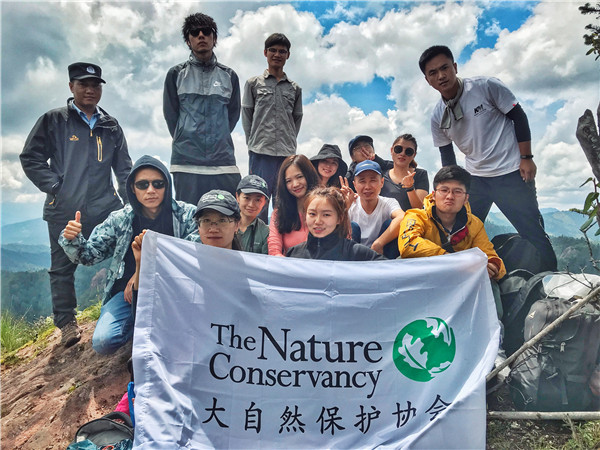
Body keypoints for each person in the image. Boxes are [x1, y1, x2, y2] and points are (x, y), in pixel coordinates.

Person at [20, 62, 132, 348]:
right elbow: (30, 157)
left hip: (105, 205)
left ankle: (128, 304)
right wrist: (57, 187)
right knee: (61, 266)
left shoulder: (110, 125)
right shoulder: (54, 120)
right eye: (83, 84)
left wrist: (131, 205)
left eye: (95, 85)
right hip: (64, 207)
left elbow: (123, 169)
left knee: (128, 250)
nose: (90, 90)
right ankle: (67, 323)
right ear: (71, 86)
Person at [419, 45, 556, 271]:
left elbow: (519, 116)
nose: (441, 76)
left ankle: (552, 280)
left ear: (455, 67)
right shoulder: (437, 116)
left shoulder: (485, 87)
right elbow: (447, 155)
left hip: (511, 172)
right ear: (428, 80)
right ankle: (462, 278)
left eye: (445, 68)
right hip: (476, 180)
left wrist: (526, 157)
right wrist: (454, 188)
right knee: (460, 232)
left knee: (532, 231)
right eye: (433, 73)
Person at [59, 156, 197, 354]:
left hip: (173, 290)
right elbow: (88, 255)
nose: (151, 190)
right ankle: (143, 325)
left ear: (167, 185)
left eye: (158, 184)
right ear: (133, 188)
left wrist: (143, 272)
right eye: (143, 184)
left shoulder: (187, 215)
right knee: (104, 341)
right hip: (127, 295)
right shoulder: (120, 219)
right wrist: (72, 239)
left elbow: (196, 251)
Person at [164, 12, 241, 204]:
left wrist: (218, 136)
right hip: (186, 163)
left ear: (214, 38)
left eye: (206, 31)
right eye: (194, 32)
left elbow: (233, 115)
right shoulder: (175, 74)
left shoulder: (229, 76)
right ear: (188, 40)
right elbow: (171, 115)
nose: (201, 36)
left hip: (223, 163)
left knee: (228, 215)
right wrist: (185, 136)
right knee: (190, 218)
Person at [399, 165, 506, 283]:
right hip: (424, 280)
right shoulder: (416, 216)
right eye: (444, 190)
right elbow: (408, 244)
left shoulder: (474, 224)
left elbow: (488, 254)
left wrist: (494, 266)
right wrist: (451, 260)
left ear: (466, 198)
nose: (450, 196)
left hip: (460, 282)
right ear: (434, 195)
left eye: (457, 192)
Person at [242, 33, 302, 223]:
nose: (277, 55)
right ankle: (257, 240)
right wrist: (253, 142)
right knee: (257, 200)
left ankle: (279, 240)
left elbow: (296, 118)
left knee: (284, 203)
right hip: (260, 153)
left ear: (288, 55)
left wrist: (288, 140)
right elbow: (247, 115)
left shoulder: (295, 88)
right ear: (265, 53)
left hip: (286, 154)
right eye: (273, 50)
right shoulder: (253, 84)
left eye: (282, 51)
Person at [287, 187, 385, 261]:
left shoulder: (356, 253)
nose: (318, 221)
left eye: (326, 215)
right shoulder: (294, 254)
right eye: (312, 214)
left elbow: (389, 271)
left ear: (340, 218)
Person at [346, 160, 404, 258]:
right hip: (354, 257)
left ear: (382, 182)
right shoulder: (350, 203)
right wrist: (345, 207)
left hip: (380, 254)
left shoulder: (388, 202)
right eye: (362, 181)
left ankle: (389, 265)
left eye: (373, 180)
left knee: (391, 223)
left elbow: (402, 217)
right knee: (352, 226)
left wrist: (379, 243)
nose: (367, 187)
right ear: (354, 185)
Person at [268, 155, 319, 256]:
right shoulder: (279, 214)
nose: (295, 184)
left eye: (299, 177)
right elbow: (274, 249)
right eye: (288, 181)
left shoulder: (325, 209)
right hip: (288, 265)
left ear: (309, 175)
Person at [380, 134, 429, 211]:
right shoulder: (381, 175)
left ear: (414, 155)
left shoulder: (420, 175)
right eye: (398, 149)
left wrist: (410, 188)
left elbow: (419, 208)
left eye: (408, 151)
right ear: (391, 150)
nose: (402, 153)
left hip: (410, 218)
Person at [235, 175, 270, 254]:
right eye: (247, 198)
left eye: (258, 200)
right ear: (237, 197)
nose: (251, 205)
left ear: (264, 202)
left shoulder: (265, 232)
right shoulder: (226, 225)